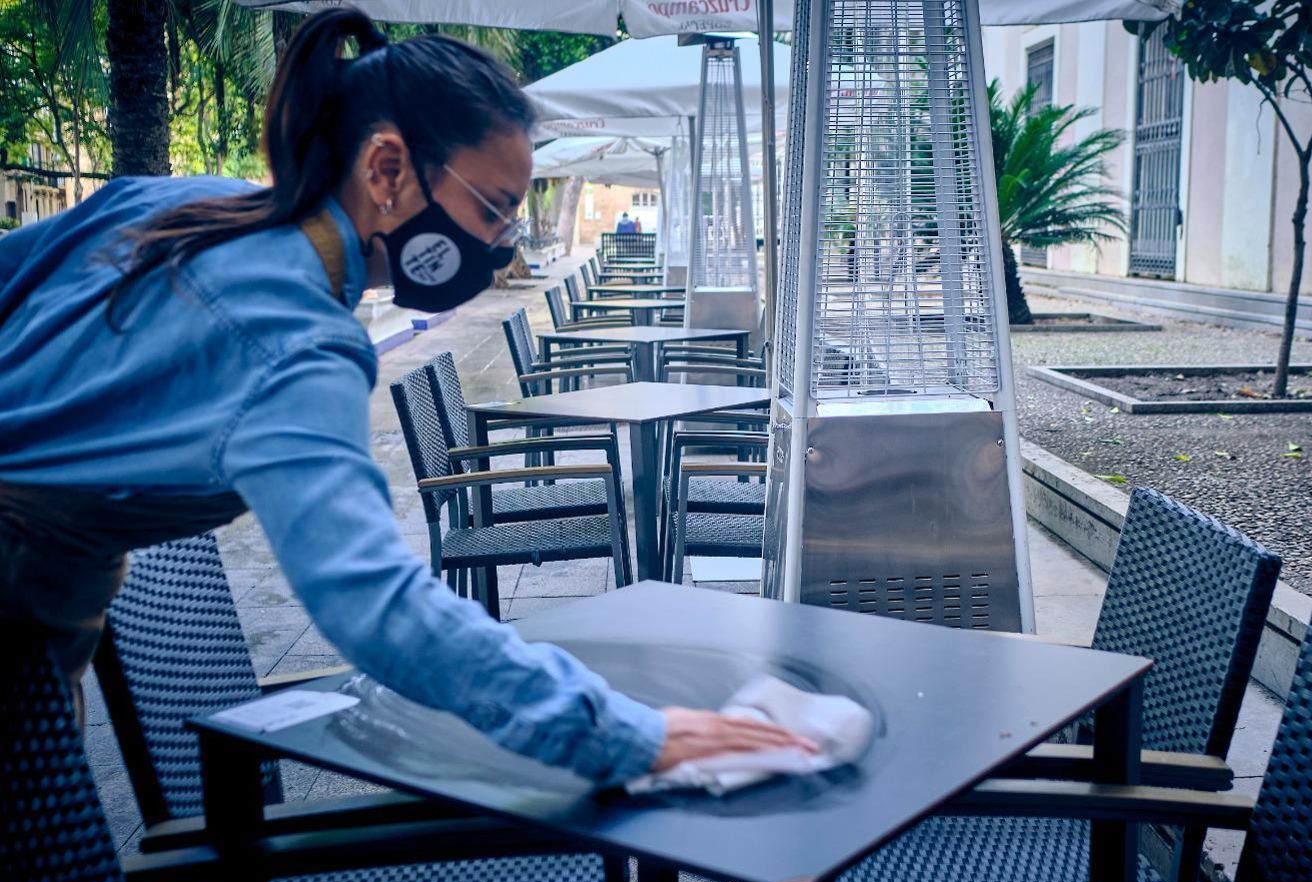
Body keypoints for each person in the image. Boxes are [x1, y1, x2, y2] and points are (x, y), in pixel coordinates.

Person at [0, 10, 810, 785]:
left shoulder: (171, 206)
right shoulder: (298, 341)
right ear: (386, 169)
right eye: (492, 210)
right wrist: (621, 732)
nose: (498, 245)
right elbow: (373, 603)